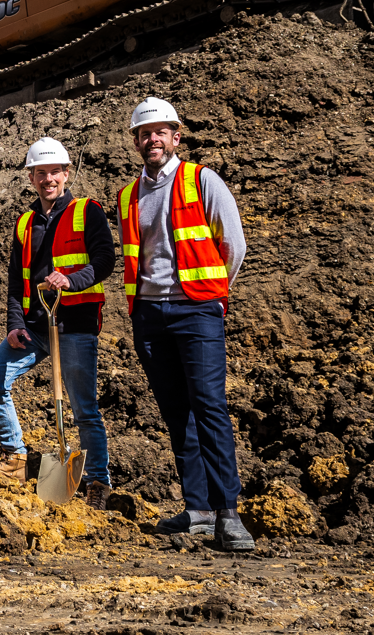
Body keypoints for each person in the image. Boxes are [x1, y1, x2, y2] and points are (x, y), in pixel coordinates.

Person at [117, 96, 254, 551]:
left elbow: (232, 244)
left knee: (210, 406)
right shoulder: (128, 195)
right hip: (150, 316)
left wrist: (212, 295)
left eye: (160, 131)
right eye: (144, 132)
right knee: (178, 412)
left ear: (176, 137)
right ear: (136, 141)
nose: (151, 139)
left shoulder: (201, 180)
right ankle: (197, 510)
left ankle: (228, 513)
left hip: (197, 310)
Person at [0, 137, 116, 509]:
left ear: (66, 173)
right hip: (36, 326)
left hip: (74, 323)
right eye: (41, 173)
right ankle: (16, 457)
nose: (48, 179)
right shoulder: (24, 223)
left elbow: (106, 259)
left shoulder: (87, 211)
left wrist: (72, 280)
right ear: (31, 177)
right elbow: (15, 279)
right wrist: (14, 322)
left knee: (83, 407)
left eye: (55, 171)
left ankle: (97, 482)